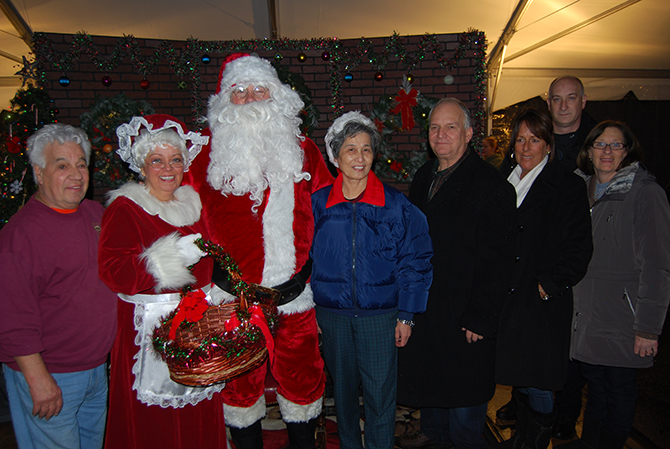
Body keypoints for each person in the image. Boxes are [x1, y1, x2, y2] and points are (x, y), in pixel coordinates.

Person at [184, 53, 334, 449]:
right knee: (238, 388)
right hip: (232, 302)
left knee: (303, 382)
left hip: (295, 298)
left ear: (277, 97)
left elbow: (331, 217)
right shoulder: (203, 160)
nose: (250, 98)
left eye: (259, 89)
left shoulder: (304, 151)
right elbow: (179, 219)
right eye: (240, 91)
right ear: (224, 101)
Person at [98, 114, 227, 448]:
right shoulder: (126, 208)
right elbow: (114, 271)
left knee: (198, 411)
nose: (167, 168)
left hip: (197, 327)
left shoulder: (192, 205)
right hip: (150, 334)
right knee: (156, 426)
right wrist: (170, 258)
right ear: (142, 166)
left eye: (175, 160)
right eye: (157, 160)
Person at [397, 98, 516, 449]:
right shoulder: (424, 177)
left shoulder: (492, 187)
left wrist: (481, 317)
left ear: (468, 133)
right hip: (430, 310)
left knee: (465, 416)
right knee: (433, 404)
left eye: (450, 127)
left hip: (467, 318)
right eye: (434, 127)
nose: (441, 134)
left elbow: (500, 260)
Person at [311, 111, 433, 449]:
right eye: (351, 149)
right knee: (344, 399)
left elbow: (416, 260)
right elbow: (302, 260)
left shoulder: (396, 206)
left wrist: (407, 314)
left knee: (381, 398)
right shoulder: (317, 205)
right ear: (335, 156)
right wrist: (310, 311)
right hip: (332, 317)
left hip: (380, 319)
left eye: (366, 149)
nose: (360, 158)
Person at [0, 123, 117, 448]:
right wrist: (38, 380)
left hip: (95, 371)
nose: (76, 174)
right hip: (52, 376)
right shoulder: (20, 236)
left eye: (81, 164)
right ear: (38, 172)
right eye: (62, 165)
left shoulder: (95, 213)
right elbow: (11, 318)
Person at [496, 76, 597, 439]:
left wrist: (549, 285)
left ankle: (535, 441)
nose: (526, 146)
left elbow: (580, 248)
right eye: (520, 139)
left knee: (538, 382)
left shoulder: (566, 184)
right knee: (518, 381)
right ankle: (523, 437)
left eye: (535, 139)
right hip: (508, 300)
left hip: (540, 302)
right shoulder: (502, 181)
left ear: (547, 143)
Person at [564, 121, 670, 449]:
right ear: (589, 151)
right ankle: (589, 443)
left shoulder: (645, 193)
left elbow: (657, 266)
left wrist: (648, 328)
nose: (607, 151)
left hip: (623, 317)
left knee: (618, 390)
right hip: (587, 315)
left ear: (627, 152)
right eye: (600, 145)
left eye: (615, 145)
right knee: (594, 387)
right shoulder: (577, 190)